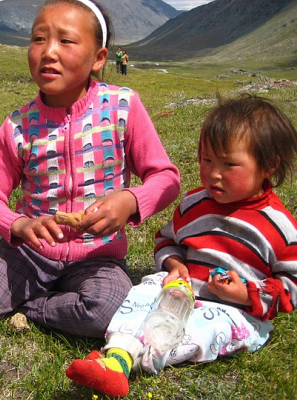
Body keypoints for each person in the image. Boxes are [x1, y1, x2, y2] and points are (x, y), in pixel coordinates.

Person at [0, 0, 180, 340]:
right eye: (38, 39)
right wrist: (19, 225)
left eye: (66, 40)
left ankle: (30, 306)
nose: (48, 51)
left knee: (107, 311)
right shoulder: (17, 126)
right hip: (28, 254)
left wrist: (130, 201)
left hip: (98, 257)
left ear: (99, 58)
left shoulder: (123, 108)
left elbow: (166, 177)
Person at [66, 94, 297, 397]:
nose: (214, 173)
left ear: (268, 165)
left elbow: (292, 284)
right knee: (145, 290)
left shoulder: (278, 227)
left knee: (203, 330)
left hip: (234, 311)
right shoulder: (195, 204)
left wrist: (246, 294)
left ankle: (128, 362)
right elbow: (167, 240)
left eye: (229, 164)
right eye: (207, 159)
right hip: (182, 291)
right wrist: (175, 265)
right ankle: (117, 354)